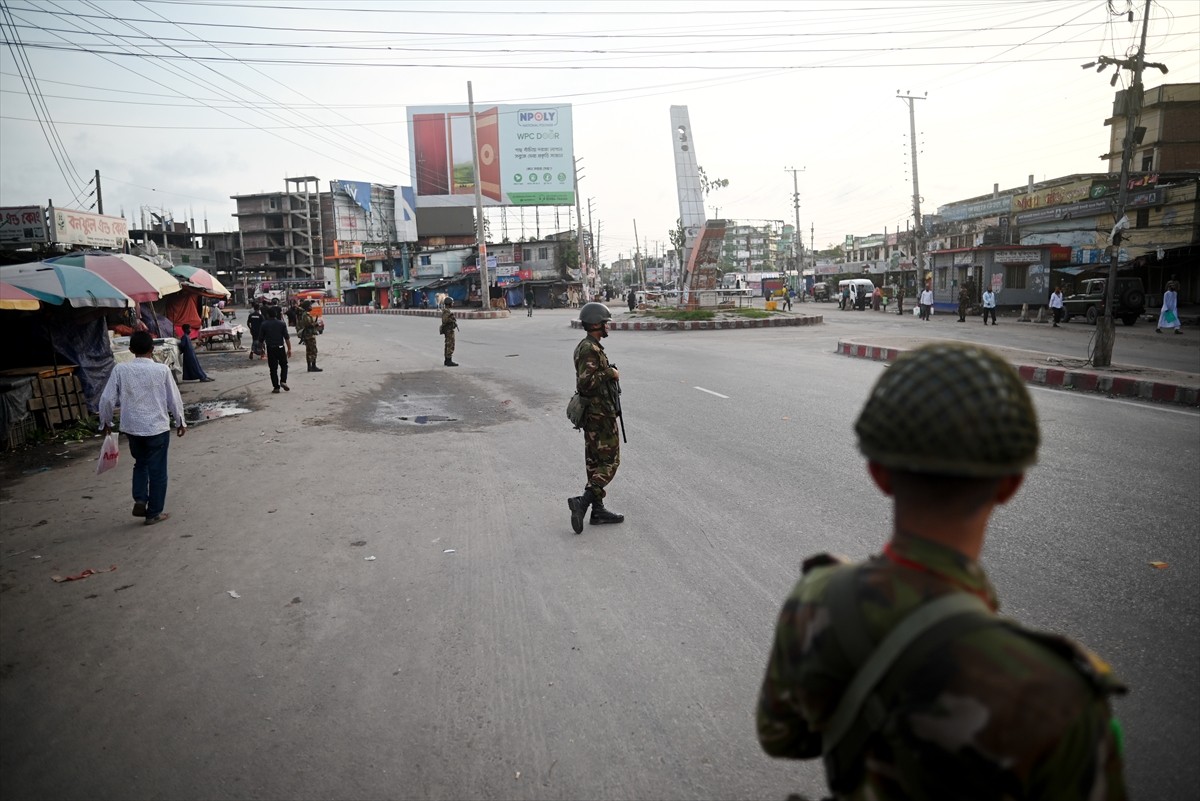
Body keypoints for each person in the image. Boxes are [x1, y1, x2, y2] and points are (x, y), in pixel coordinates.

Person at [756, 342, 1128, 800]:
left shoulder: (818, 602)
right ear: (1010, 485)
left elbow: (782, 737)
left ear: (877, 473)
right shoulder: (1060, 695)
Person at [98, 330, 187, 527]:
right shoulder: (162, 370)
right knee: (158, 471)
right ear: (152, 349)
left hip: (132, 427)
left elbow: (106, 399)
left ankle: (140, 498)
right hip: (157, 427)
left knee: (140, 463)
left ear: (131, 350)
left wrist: (105, 422)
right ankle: (154, 512)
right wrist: (180, 421)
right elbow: (174, 398)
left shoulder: (120, 370)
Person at [568, 302, 624, 534]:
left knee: (594, 463)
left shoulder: (591, 346)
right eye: (604, 322)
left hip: (596, 414)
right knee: (610, 461)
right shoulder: (589, 349)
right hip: (599, 416)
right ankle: (584, 502)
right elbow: (586, 383)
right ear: (595, 324)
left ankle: (597, 511)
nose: (607, 326)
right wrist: (610, 372)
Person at [260, 305, 291, 393]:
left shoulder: (264, 324)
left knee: (273, 369)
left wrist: (262, 350)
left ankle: (276, 387)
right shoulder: (281, 323)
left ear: (267, 315)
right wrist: (289, 349)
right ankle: (283, 381)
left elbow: (261, 340)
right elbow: (286, 337)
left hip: (270, 348)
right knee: (284, 365)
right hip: (280, 347)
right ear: (276, 314)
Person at [297, 300, 322, 372]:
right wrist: (315, 324)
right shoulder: (306, 315)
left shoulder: (306, 314)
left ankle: (310, 366)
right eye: (310, 306)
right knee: (313, 351)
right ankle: (312, 366)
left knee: (309, 351)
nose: (311, 307)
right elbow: (308, 324)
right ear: (307, 307)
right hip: (309, 335)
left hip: (309, 335)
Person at [440, 297, 459, 367]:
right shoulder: (446, 311)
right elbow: (445, 320)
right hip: (448, 330)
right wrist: (451, 319)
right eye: (452, 303)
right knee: (450, 345)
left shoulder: (447, 311)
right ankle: (448, 360)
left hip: (449, 330)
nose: (452, 304)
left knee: (448, 344)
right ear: (449, 303)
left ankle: (447, 360)